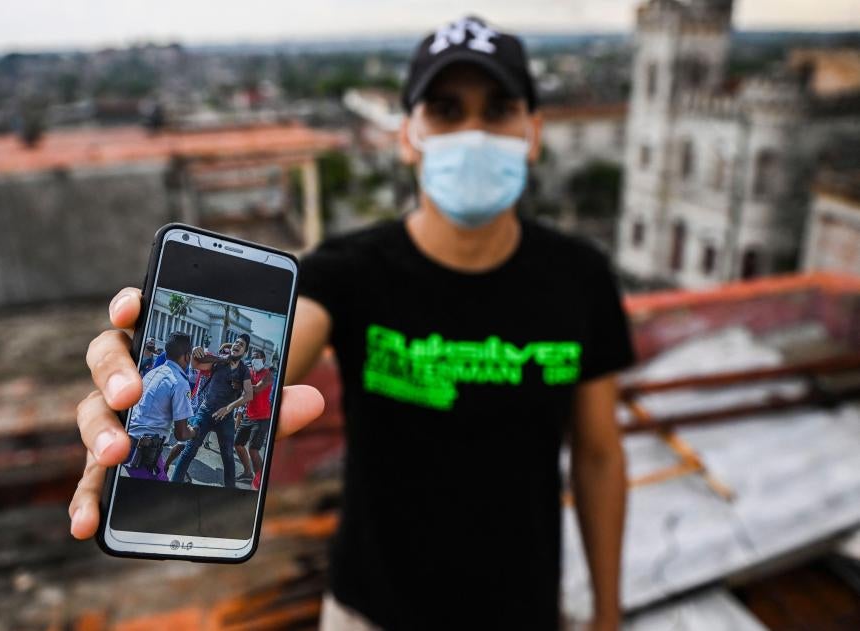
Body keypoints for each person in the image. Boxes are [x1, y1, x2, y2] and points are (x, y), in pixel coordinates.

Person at [69, 15, 635, 630]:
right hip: (373, 610)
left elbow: (599, 455)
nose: (473, 132)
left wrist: (608, 614)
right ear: (408, 136)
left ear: (532, 132)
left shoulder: (580, 277)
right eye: (446, 110)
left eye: (498, 110)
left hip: (523, 611)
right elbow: (283, 346)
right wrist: (135, 377)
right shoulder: (351, 270)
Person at [169, 334, 252, 487]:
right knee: (189, 450)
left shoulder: (244, 370)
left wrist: (228, 408)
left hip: (225, 418)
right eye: (236, 342)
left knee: (228, 457)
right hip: (205, 411)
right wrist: (195, 351)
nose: (237, 345)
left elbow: (249, 394)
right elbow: (195, 365)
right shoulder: (219, 361)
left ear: (244, 352)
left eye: (241, 345)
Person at [124, 332, 197, 481]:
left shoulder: (152, 373)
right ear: (187, 356)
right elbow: (181, 434)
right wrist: (195, 431)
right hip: (142, 453)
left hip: (129, 444)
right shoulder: (180, 382)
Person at [234, 348, 273, 489]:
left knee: (253, 449)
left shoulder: (268, 374)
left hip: (262, 417)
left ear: (263, 359)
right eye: (253, 357)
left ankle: (260, 480)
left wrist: (242, 384)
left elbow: (256, 389)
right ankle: (247, 472)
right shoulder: (249, 372)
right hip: (248, 416)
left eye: (257, 357)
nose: (254, 359)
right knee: (238, 444)